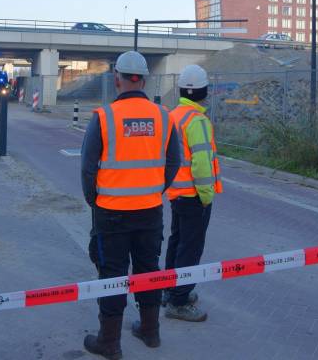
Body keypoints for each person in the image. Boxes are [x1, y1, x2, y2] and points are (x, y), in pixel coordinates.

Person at [81, 50, 180, 359]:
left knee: (112, 274)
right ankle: (150, 332)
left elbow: (87, 169)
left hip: (111, 213)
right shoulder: (164, 116)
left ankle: (109, 343)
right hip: (150, 211)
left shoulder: (104, 117)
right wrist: (154, 190)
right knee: (149, 270)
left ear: (117, 79)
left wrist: (94, 201)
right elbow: (174, 162)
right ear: (144, 80)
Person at [162, 64, 222, 323]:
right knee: (190, 247)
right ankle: (179, 301)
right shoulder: (197, 120)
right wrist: (206, 195)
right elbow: (200, 163)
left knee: (177, 242)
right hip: (195, 196)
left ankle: (171, 288)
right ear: (204, 91)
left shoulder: (173, 115)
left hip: (177, 193)